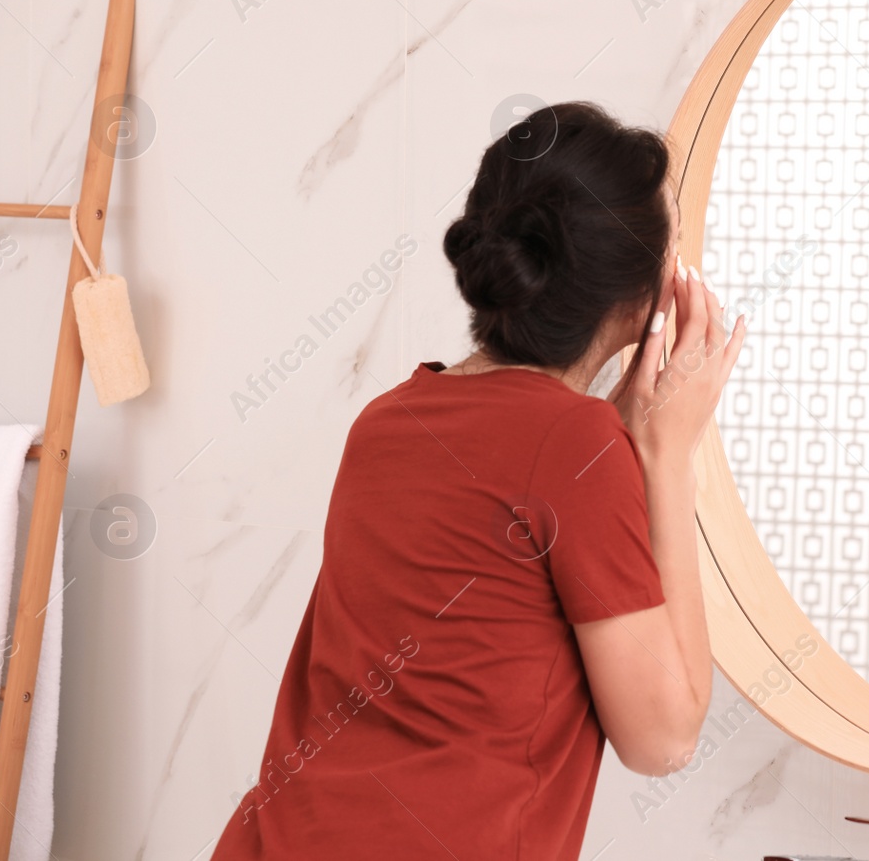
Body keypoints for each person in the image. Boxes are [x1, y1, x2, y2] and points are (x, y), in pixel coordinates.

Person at [211, 101, 746, 859]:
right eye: (675, 240)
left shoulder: (387, 419)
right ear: (644, 292)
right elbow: (664, 740)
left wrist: (619, 442)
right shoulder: (574, 443)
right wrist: (666, 454)